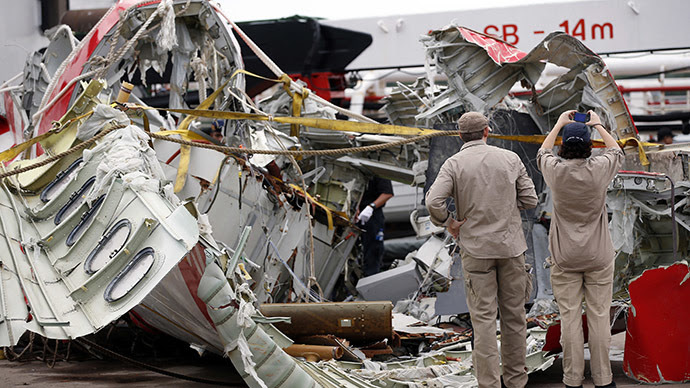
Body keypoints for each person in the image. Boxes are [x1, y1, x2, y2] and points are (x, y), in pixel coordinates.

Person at [426, 112, 538, 388]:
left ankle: (489, 383)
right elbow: (530, 199)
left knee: (484, 320)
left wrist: (450, 223)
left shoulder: (453, 164)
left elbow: (433, 202)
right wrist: (506, 209)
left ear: (460, 135)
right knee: (514, 316)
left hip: (476, 250)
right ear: (487, 131)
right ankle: (516, 381)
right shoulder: (510, 159)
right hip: (511, 248)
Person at [537, 110, 623, 388]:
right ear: (589, 146)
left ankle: (572, 378)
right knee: (599, 317)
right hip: (598, 255)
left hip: (564, 257)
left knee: (570, 317)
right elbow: (616, 150)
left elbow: (543, 151)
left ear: (565, 145)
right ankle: (603, 378)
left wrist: (560, 124)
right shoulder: (599, 170)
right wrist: (598, 123)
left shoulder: (556, 172)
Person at [356, 177, 394, 277]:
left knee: (373, 251)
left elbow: (387, 193)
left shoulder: (377, 171)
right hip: (356, 215)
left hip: (372, 215)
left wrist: (371, 206)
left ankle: (371, 278)